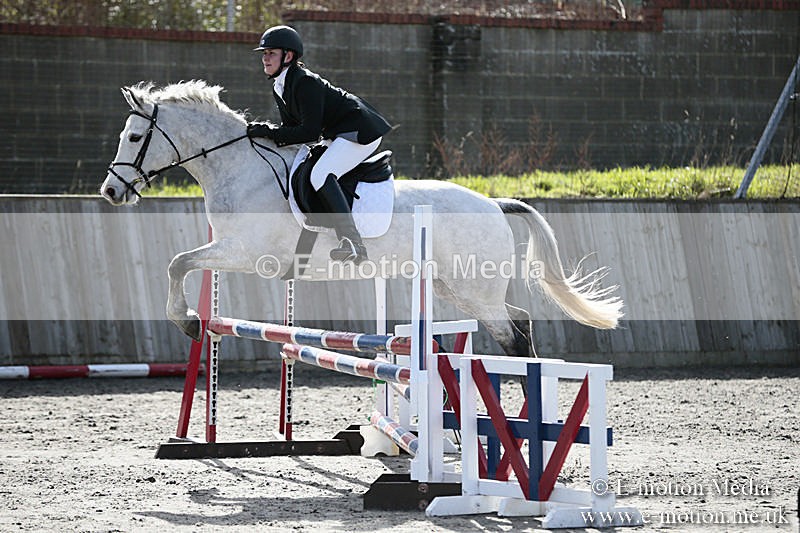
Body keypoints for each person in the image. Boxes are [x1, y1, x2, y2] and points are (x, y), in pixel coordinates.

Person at [247, 25, 392, 264]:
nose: (265, 58)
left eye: (271, 53)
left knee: (321, 174)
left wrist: (270, 132)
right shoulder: (280, 85)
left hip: (359, 131)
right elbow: (293, 130)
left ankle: (353, 243)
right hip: (337, 132)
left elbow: (308, 132)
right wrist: (267, 134)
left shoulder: (305, 82)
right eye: (264, 53)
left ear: (288, 56)